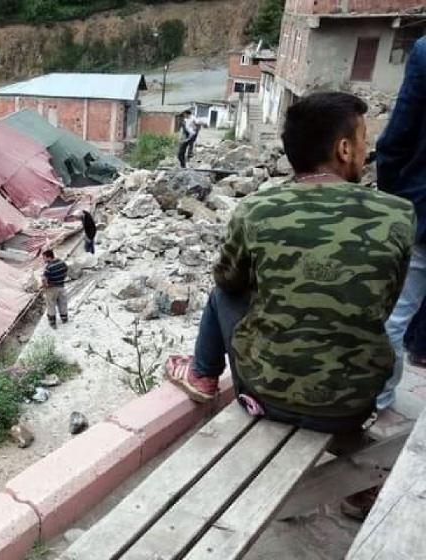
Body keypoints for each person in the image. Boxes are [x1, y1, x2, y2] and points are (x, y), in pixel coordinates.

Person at [164, 91, 414, 438]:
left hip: (265, 396)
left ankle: (202, 375)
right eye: (362, 142)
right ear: (343, 149)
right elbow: (385, 303)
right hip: (355, 407)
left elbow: (227, 280)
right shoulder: (398, 215)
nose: (365, 151)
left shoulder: (257, 209)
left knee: (223, 293)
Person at [374, 37, 426, 409]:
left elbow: (396, 138)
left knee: (395, 312)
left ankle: (378, 403)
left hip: (422, 207)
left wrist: (394, 201)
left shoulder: (425, 52)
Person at [42, 249, 68, 328]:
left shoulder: (48, 267)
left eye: (44, 257)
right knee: (62, 303)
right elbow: (66, 270)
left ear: (48, 257)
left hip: (52, 288)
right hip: (61, 286)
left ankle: (52, 322)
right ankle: (64, 318)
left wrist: (45, 285)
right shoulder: (62, 262)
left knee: (51, 304)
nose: (43, 259)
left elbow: (44, 279)